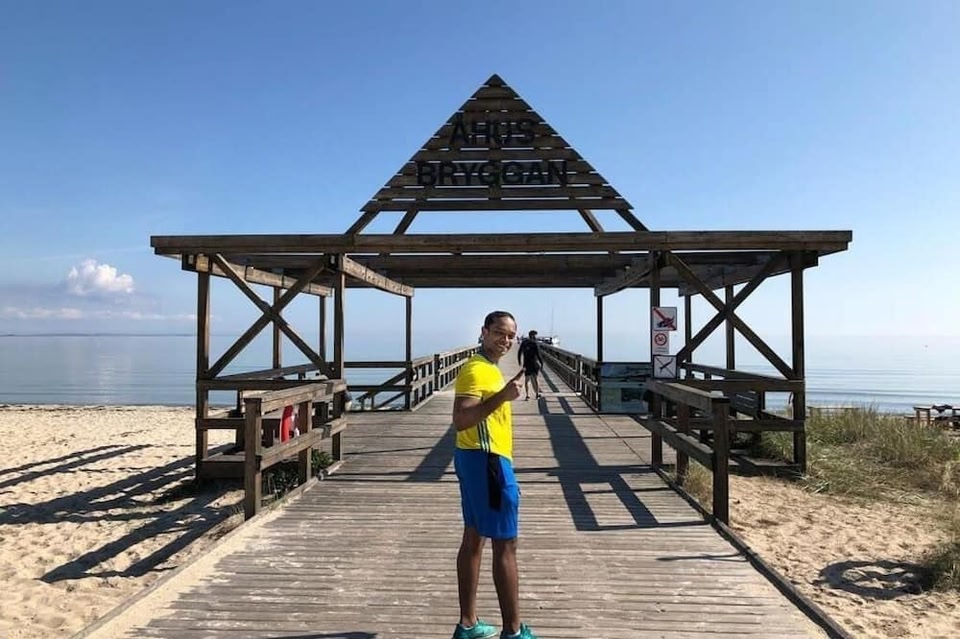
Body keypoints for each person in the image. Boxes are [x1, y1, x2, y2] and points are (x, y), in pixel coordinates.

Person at [450, 311, 539, 639]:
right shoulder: (476, 369)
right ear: (484, 332)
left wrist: (502, 392)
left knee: (474, 538)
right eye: (500, 333)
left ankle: (468, 624)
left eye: (511, 335)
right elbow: (461, 419)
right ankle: (513, 632)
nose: (506, 340)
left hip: (473, 459)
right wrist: (503, 396)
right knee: (506, 544)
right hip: (487, 462)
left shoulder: (488, 367)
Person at [517, 330, 544, 401]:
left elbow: (519, 352)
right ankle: (537, 394)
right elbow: (539, 355)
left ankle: (527, 395)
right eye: (535, 335)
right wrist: (542, 363)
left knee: (527, 380)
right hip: (534, 364)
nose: (536, 337)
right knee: (535, 379)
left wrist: (519, 361)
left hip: (526, 364)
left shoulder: (524, 342)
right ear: (532, 335)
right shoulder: (535, 343)